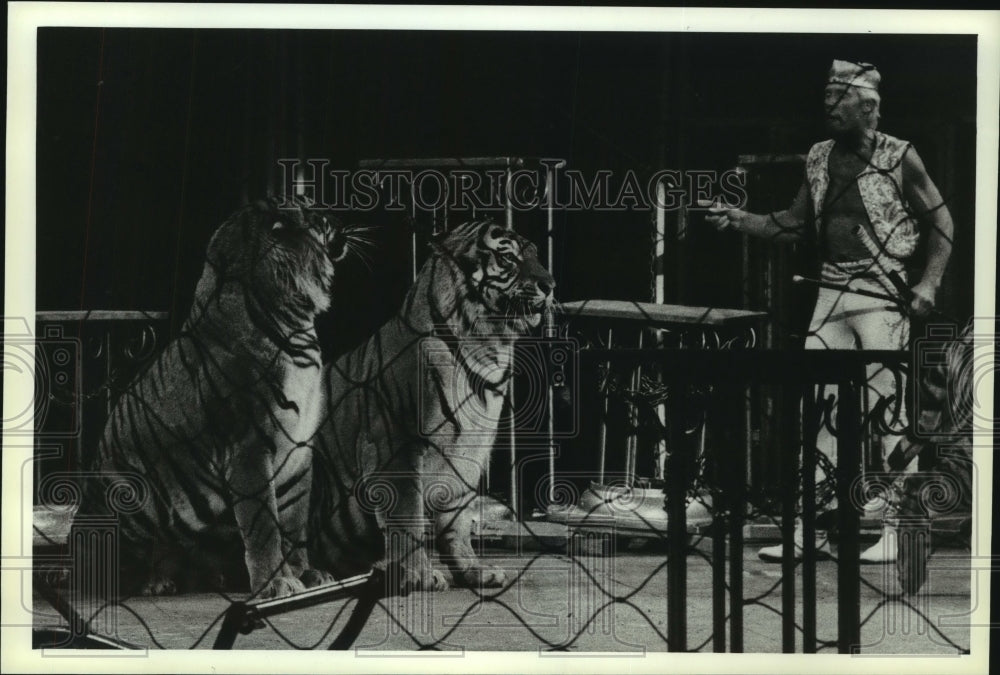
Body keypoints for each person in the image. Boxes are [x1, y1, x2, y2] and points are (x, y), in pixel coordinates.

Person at [706, 59, 954, 563]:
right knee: (816, 413)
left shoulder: (900, 155)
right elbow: (795, 224)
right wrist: (740, 220)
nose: (826, 104)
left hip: (883, 293)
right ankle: (808, 528)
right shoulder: (818, 156)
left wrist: (929, 282)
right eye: (824, 95)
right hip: (831, 291)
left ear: (867, 106)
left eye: (837, 96)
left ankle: (897, 531)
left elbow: (942, 221)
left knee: (889, 412)